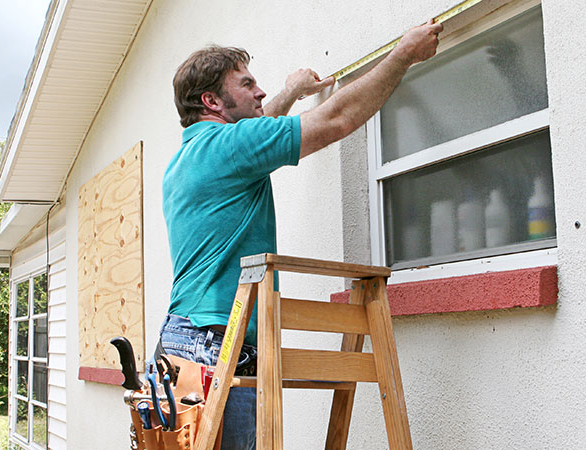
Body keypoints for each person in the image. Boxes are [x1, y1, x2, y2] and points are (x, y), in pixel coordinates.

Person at [158, 19, 443, 449]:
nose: (259, 92)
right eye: (247, 84)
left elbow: (252, 138)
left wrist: (290, 94)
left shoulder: (187, 158)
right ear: (212, 100)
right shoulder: (230, 148)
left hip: (180, 346)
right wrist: (402, 55)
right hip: (217, 348)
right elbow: (336, 119)